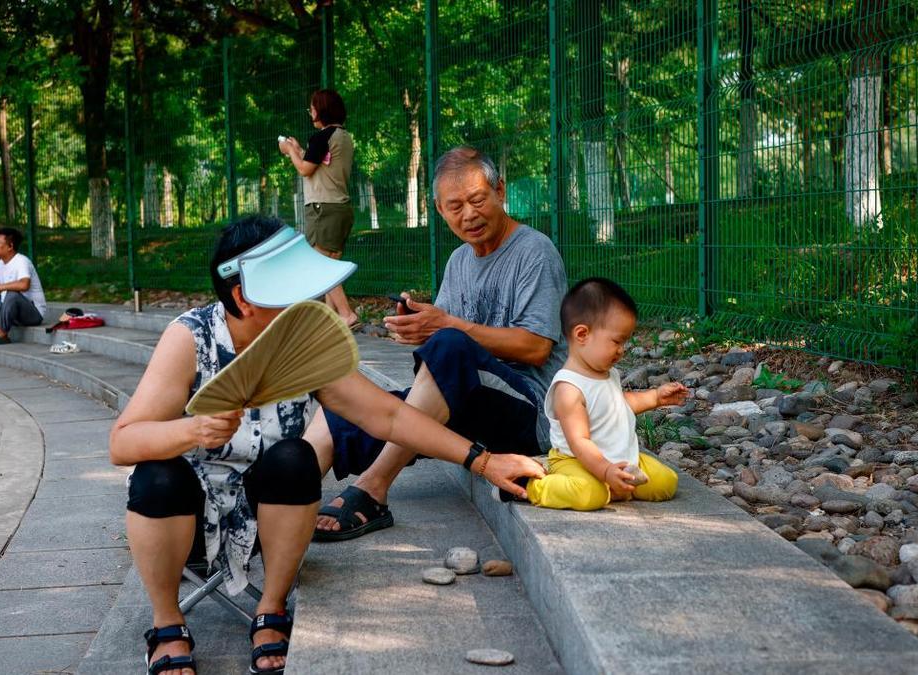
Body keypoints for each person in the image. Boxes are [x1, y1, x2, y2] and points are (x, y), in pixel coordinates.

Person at [108, 214, 543, 675]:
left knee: (295, 458)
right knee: (157, 473)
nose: (312, 302)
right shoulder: (190, 338)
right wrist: (192, 431)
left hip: (264, 522)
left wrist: (483, 461)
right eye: (296, 291)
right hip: (183, 522)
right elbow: (123, 443)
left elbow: (389, 415)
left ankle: (271, 609)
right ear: (243, 296)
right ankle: (167, 622)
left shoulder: (301, 346)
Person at [311, 145, 568, 541]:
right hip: (470, 404)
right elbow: (446, 356)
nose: (469, 214)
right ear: (438, 208)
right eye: (455, 206)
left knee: (449, 345)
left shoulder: (534, 252)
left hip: (530, 412)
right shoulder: (459, 262)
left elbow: (535, 348)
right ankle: (277, 513)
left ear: (501, 190)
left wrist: (445, 326)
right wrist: (421, 328)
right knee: (347, 409)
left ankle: (373, 487)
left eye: (478, 200)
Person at [511, 277, 687, 511]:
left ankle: (613, 486)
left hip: (619, 458)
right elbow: (579, 441)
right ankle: (529, 485)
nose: (622, 350)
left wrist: (655, 397)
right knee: (589, 495)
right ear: (582, 334)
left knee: (666, 482)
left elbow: (617, 405)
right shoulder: (568, 389)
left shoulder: (607, 373)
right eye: (617, 341)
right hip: (576, 460)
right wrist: (604, 470)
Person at [278, 88, 358, 329]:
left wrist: (290, 151)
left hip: (323, 208)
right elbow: (319, 164)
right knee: (330, 266)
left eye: (312, 108)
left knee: (321, 267)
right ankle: (330, 321)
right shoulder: (342, 137)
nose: (310, 112)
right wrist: (300, 150)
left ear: (321, 110)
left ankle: (346, 314)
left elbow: (304, 169)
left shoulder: (322, 137)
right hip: (341, 208)